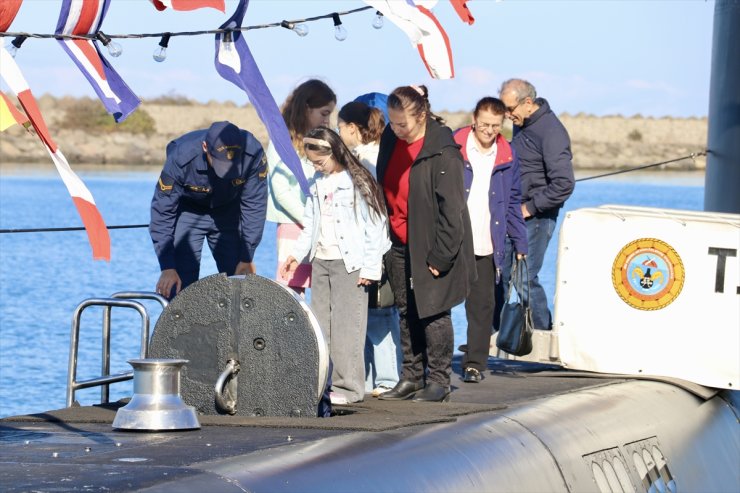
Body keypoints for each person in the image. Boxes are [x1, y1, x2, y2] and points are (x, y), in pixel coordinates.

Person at [376, 85, 475, 402]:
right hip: (398, 242)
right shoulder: (393, 140)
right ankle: (412, 376)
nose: (396, 129)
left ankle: (439, 380)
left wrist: (442, 256)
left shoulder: (442, 151)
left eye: (402, 124)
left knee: (433, 312)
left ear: (421, 116)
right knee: (406, 312)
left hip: (432, 245)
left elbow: (453, 210)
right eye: (392, 122)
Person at [280, 127, 391, 404]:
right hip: (321, 259)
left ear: (333, 152)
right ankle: (324, 382)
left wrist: (369, 267)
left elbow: (376, 225)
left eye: (320, 162)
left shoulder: (358, 180)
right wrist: (297, 254)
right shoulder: (318, 182)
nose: (317, 167)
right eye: (313, 163)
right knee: (321, 324)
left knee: (347, 325)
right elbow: (311, 222)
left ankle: (350, 387)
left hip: (349, 262)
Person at [453, 97, 528, 383]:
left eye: (495, 126)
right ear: (474, 119)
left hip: (487, 241)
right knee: (438, 303)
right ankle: (430, 363)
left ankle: (474, 364)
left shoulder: (508, 155)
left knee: (482, 306)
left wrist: (520, 242)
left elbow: (512, 202)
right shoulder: (454, 146)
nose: (488, 130)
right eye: (484, 124)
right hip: (454, 239)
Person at [150, 121, 267, 299]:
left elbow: (254, 205)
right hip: (189, 211)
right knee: (178, 284)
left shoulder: (253, 153)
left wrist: (247, 256)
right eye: (220, 163)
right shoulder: (181, 156)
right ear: (205, 147)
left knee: (241, 285)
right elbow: (162, 211)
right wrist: (167, 266)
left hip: (229, 211)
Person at [498, 79, 575, 331]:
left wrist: (528, 208)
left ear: (528, 103)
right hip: (514, 212)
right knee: (503, 274)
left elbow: (564, 184)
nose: (507, 116)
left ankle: (544, 335)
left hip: (537, 217)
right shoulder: (523, 124)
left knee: (525, 278)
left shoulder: (551, 131)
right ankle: (496, 336)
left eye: (510, 109)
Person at [337, 100, 401, 398]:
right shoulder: (369, 156)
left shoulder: (368, 160)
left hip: (375, 246)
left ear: (352, 128)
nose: (339, 133)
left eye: (340, 128)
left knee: (379, 314)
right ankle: (372, 376)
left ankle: (387, 377)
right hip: (369, 246)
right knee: (371, 313)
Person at [267, 79, 337, 294]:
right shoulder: (282, 141)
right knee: (292, 291)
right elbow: (281, 191)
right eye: (324, 113)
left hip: (321, 227)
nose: (327, 120)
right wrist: (309, 220)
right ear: (307, 109)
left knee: (324, 289)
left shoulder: (322, 140)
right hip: (293, 224)